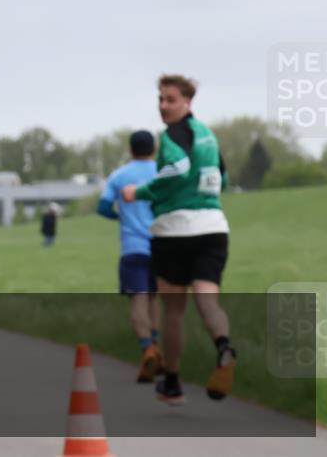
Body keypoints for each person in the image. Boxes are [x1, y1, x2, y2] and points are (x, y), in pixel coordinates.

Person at [122, 74, 236, 405]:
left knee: (173, 310)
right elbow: (223, 179)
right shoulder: (208, 135)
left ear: (187, 101)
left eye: (170, 99)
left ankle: (172, 381)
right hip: (213, 228)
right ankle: (224, 347)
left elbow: (180, 168)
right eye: (160, 99)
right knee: (208, 301)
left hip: (174, 231)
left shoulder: (171, 135)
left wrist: (141, 191)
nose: (163, 106)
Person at [97, 130, 162, 382]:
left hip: (133, 246)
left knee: (138, 299)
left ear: (131, 149)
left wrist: (120, 216)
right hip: (162, 243)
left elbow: (103, 207)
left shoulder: (119, 175)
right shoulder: (162, 172)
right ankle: (156, 347)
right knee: (154, 298)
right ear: (153, 149)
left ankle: (147, 349)